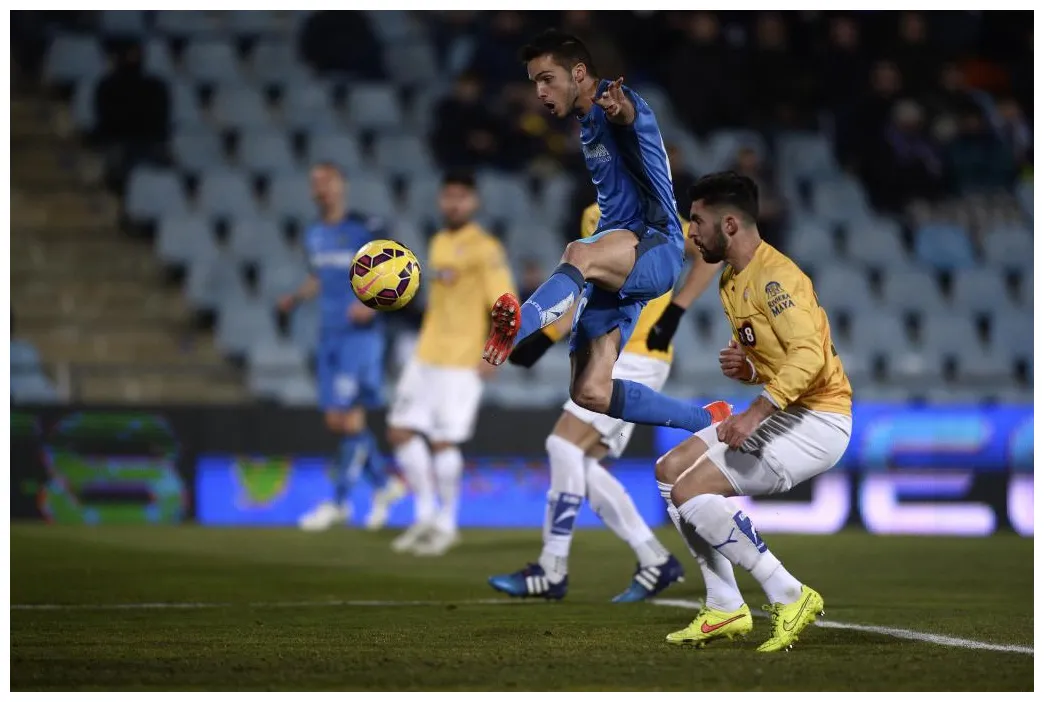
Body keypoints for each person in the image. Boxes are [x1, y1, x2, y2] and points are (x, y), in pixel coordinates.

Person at [483, 30, 731, 439]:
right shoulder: (585, 125)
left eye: (547, 79)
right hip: (622, 261)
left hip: (655, 244)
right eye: (534, 82)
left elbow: (628, 114)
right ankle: (709, 422)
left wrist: (619, 108)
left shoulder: (614, 103)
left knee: (579, 253)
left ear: (578, 73)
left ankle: (516, 327)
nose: (540, 92)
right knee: (590, 392)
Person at [655, 172, 853, 653]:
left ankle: (788, 593)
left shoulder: (777, 277)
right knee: (670, 471)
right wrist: (748, 370)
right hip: (789, 409)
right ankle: (725, 606)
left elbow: (810, 357)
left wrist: (756, 410)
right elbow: (781, 358)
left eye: (697, 221)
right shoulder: (730, 278)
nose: (691, 232)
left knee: (692, 492)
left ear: (729, 224)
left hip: (820, 421)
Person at [488, 201, 722, 602]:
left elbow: (708, 253)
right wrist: (540, 336)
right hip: (606, 347)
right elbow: (588, 288)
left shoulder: (660, 219)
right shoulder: (592, 214)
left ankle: (551, 568)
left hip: (638, 352)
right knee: (580, 461)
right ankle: (654, 560)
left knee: (563, 445)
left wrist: (678, 309)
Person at [388, 171, 516, 557]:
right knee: (400, 431)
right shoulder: (439, 241)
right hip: (426, 352)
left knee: (443, 440)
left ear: (473, 202)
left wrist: (497, 349)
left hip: (462, 359)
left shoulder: (485, 247)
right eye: (448, 197)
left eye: (461, 197)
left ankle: (447, 522)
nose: (453, 204)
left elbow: (504, 301)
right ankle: (425, 515)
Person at [280, 163, 406, 531]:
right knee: (338, 419)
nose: (321, 189)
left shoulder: (365, 229)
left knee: (347, 417)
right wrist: (296, 298)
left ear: (342, 187)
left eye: (327, 182)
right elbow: (320, 276)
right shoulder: (315, 234)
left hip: (360, 337)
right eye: (315, 182)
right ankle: (384, 485)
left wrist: (372, 304)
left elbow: (400, 270)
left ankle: (338, 502)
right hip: (329, 334)